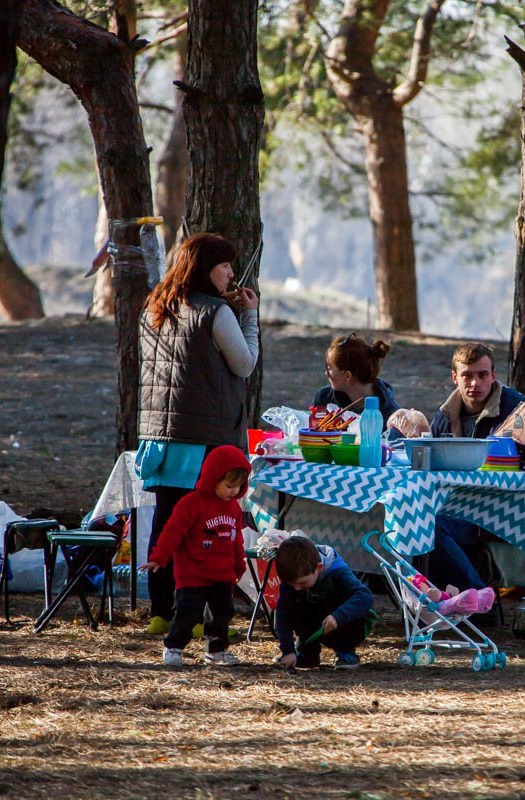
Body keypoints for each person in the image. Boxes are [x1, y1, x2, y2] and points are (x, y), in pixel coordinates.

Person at [137, 232, 259, 636]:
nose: (230, 274)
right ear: (206, 268)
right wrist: (249, 317)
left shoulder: (155, 307)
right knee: (201, 527)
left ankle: (161, 611)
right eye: (224, 266)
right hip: (202, 436)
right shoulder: (215, 313)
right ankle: (191, 615)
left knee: (166, 522)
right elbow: (244, 364)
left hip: (159, 437)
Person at [427, 343, 525, 593]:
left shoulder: (516, 410)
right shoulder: (444, 417)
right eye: (467, 376)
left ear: (494, 375)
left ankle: (479, 598)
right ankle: (436, 600)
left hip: (502, 511)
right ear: (454, 377)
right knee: (415, 521)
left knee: (430, 526)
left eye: (482, 375)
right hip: (456, 506)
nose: (475, 383)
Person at [142, 445, 250, 667]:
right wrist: (159, 557)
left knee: (222, 614)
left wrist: (238, 565)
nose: (233, 491)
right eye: (229, 485)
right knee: (188, 613)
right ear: (213, 478)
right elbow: (172, 532)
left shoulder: (233, 508)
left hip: (222, 574)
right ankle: (173, 646)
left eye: (238, 486)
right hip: (193, 573)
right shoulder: (192, 503)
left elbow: (236, 539)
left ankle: (216, 651)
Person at [274, 535, 376, 670]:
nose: (297, 588)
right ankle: (307, 653)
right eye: (291, 584)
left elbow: (365, 597)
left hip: (346, 621)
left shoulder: (338, 572)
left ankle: (346, 651)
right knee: (296, 605)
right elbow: (283, 614)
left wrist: (338, 616)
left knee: (336, 604)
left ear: (319, 567)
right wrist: (288, 650)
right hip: (317, 616)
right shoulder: (294, 580)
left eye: (302, 582)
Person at [313, 333, 400, 425]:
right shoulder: (324, 399)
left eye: (330, 368)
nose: (326, 373)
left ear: (347, 375)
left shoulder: (390, 415)